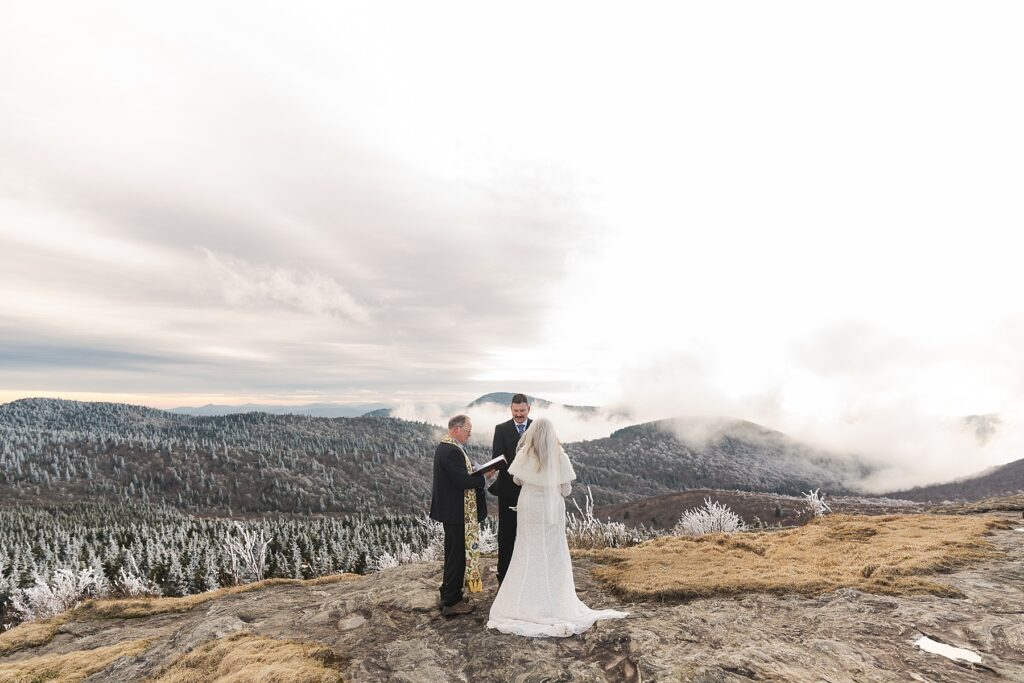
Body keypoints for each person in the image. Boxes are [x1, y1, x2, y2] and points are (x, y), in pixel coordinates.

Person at [487, 418, 628, 637]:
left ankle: (523, 600)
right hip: (550, 509)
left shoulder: (525, 453)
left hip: (529, 507)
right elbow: (565, 490)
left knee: (526, 549)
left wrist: (533, 480)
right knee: (553, 551)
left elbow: (516, 480)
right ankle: (554, 599)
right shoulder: (559, 456)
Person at [429, 414, 495, 617]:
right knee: (457, 557)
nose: (469, 434)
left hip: (453, 512)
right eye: (468, 431)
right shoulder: (451, 451)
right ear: (456, 429)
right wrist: (484, 476)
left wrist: (476, 470)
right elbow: (462, 482)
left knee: (453, 555)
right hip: (458, 513)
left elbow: (460, 475)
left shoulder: (446, 446)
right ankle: (451, 602)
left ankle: (448, 593)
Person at [489, 392, 532, 584]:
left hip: (532, 490)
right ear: (511, 409)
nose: (519, 414)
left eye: (522, 410)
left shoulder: (537, 428)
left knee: (530, 532)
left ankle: (529, 575)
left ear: (528, 409)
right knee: (507, 534)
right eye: (515, 411)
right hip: (507, 490)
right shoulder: (501, 429)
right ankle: (504, 577)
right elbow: (497, 458)